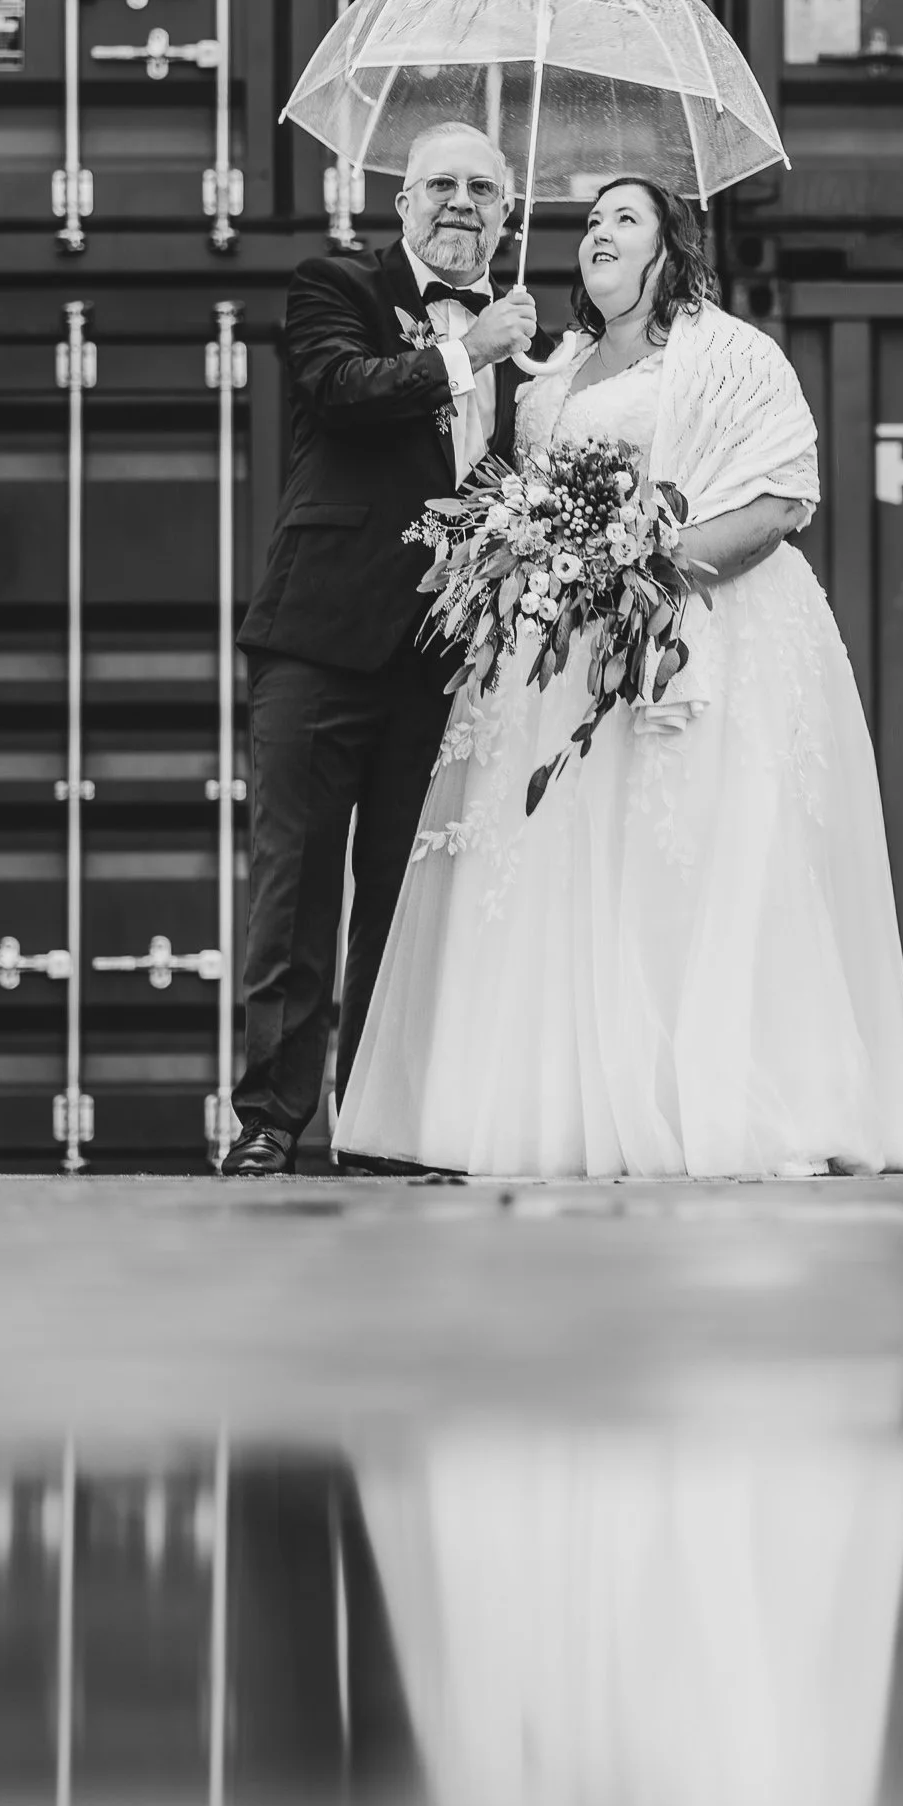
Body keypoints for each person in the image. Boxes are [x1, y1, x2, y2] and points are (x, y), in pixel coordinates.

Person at [333, 177, 903, 1178]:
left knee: (692, 866)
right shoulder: (553, 368)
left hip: (701, 643)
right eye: (590, 221)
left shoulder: (734, 355)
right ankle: (568, 1111)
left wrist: (645, 565)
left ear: (668, 246)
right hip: (570, 658)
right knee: (574, 872)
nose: (599, 233)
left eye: (624, 217)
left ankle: (706, 1105)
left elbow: (782, 498)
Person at [222, 123, 538, 1178]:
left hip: (442, 660)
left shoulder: (529, 343)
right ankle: (270, 1122)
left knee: (408, 905)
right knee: (295, 889)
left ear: (507, 213)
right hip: (319, 639)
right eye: (439, 184)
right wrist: (467, 350)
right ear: (401, 204)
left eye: (482, 189)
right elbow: (341, 389)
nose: (461, 203)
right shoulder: (335, 286)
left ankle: (375, 1125)